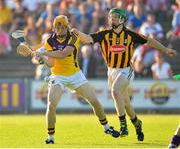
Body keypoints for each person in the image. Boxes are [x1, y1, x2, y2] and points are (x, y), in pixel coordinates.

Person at [72, 8, 177, 141]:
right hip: (111, 71)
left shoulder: (130, 35)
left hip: (126, 69)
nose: (112, 19)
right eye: (111, 17)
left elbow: (150, 41)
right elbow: (87, 39)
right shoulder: (104, 34)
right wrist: (77, 32)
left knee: (115, 92)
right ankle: (137, 123)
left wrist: (166, 49)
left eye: (115, 17)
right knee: (126, 103)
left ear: (122, 19)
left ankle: (123, 125)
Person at [31, 15, 120, 144]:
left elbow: (63, 54)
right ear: (54, 28)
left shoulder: (73, 36)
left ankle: (106, 127)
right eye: (58, 27)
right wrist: (42, 58)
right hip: (58, 76)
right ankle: (51, 137)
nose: (60, 30)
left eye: (63, 27)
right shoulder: (49, 41)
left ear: (67, 27)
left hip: (75, 75)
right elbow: (51, 64)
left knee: (94, 100)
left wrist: (42, 53)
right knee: (51, 105)